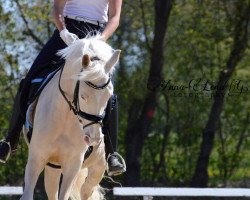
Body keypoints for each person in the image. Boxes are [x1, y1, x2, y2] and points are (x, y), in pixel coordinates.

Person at [0, 0, 125, 176]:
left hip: (97, 36)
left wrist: (101, 38)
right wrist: (64, 31)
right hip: (67, 31)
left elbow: (115, 17)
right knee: (29, 79)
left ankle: (111, 153)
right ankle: (10, 139)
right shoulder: (65, 31)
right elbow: (58, 8)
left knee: (108, 92)